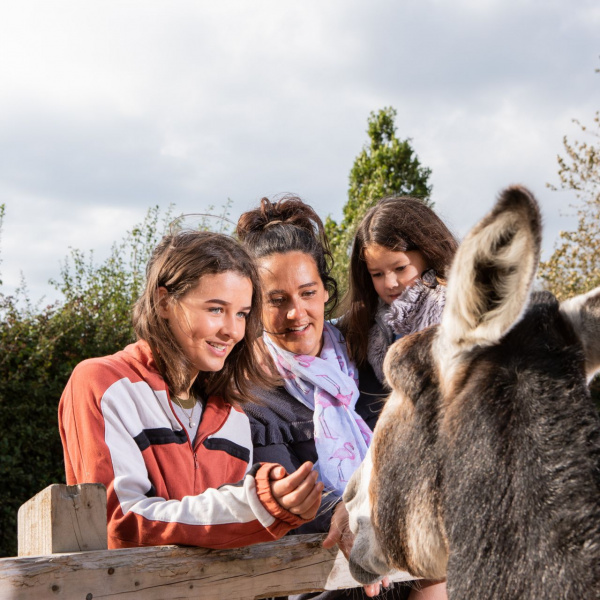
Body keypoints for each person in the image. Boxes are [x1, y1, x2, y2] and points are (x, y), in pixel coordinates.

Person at [59, 228, 323, 550]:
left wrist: (277, 497)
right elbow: (120, 521)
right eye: (215, 309)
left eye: (241, 314)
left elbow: (229, 537)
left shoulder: (233, 415)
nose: (232, 331)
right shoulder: (104, 384)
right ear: (164, 301)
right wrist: (255, 505)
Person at [236, 195, 406, 599]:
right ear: (255, 306)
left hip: (412, 575)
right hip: (325, 585)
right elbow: (294, 499)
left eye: (308, 293)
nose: (297, 313)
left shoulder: (371, 356)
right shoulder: (248, 395)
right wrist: (351, 513)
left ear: (325, 292)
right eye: (277, 300)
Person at [338, 196, 459, 600]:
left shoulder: (451, 318)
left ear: (428, 254)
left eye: (400, 268)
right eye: (377, 273)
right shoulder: (372, 327)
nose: (390, 284)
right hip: (390, 485)